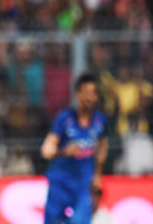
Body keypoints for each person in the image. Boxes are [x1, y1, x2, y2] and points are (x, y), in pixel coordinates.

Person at [41, 73, 108, 224]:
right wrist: (64, 151)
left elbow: (102, 145)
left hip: (83, 185)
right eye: (86, 93)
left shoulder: (100, 121)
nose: (90, 98)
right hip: (60, 183)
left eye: (93, 93)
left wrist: (98, 174)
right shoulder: (64, 119)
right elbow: (46, 150)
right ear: (78, 94)